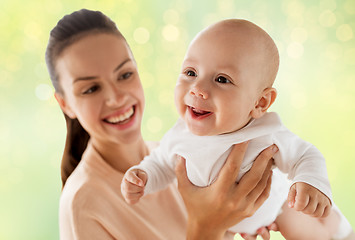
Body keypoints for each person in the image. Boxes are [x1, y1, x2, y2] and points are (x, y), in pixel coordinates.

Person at [46, 9, 282, 240]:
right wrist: (208, 227)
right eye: (91, 89)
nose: (116, 98)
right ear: (65, 104)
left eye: (125, 75)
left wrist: (242, 219)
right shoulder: (83, 204)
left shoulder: (178, 152)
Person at [121, 19, 355, 239]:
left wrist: (311, 182)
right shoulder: (179, 135)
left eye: (222, 79)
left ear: (259, 102)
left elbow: (305, 155)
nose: (197, 88)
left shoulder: (265, 133)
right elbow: (161, 164)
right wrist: (143, 177)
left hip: (276, 209)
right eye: (191, 73)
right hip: (214, 222)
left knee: (307, 223)